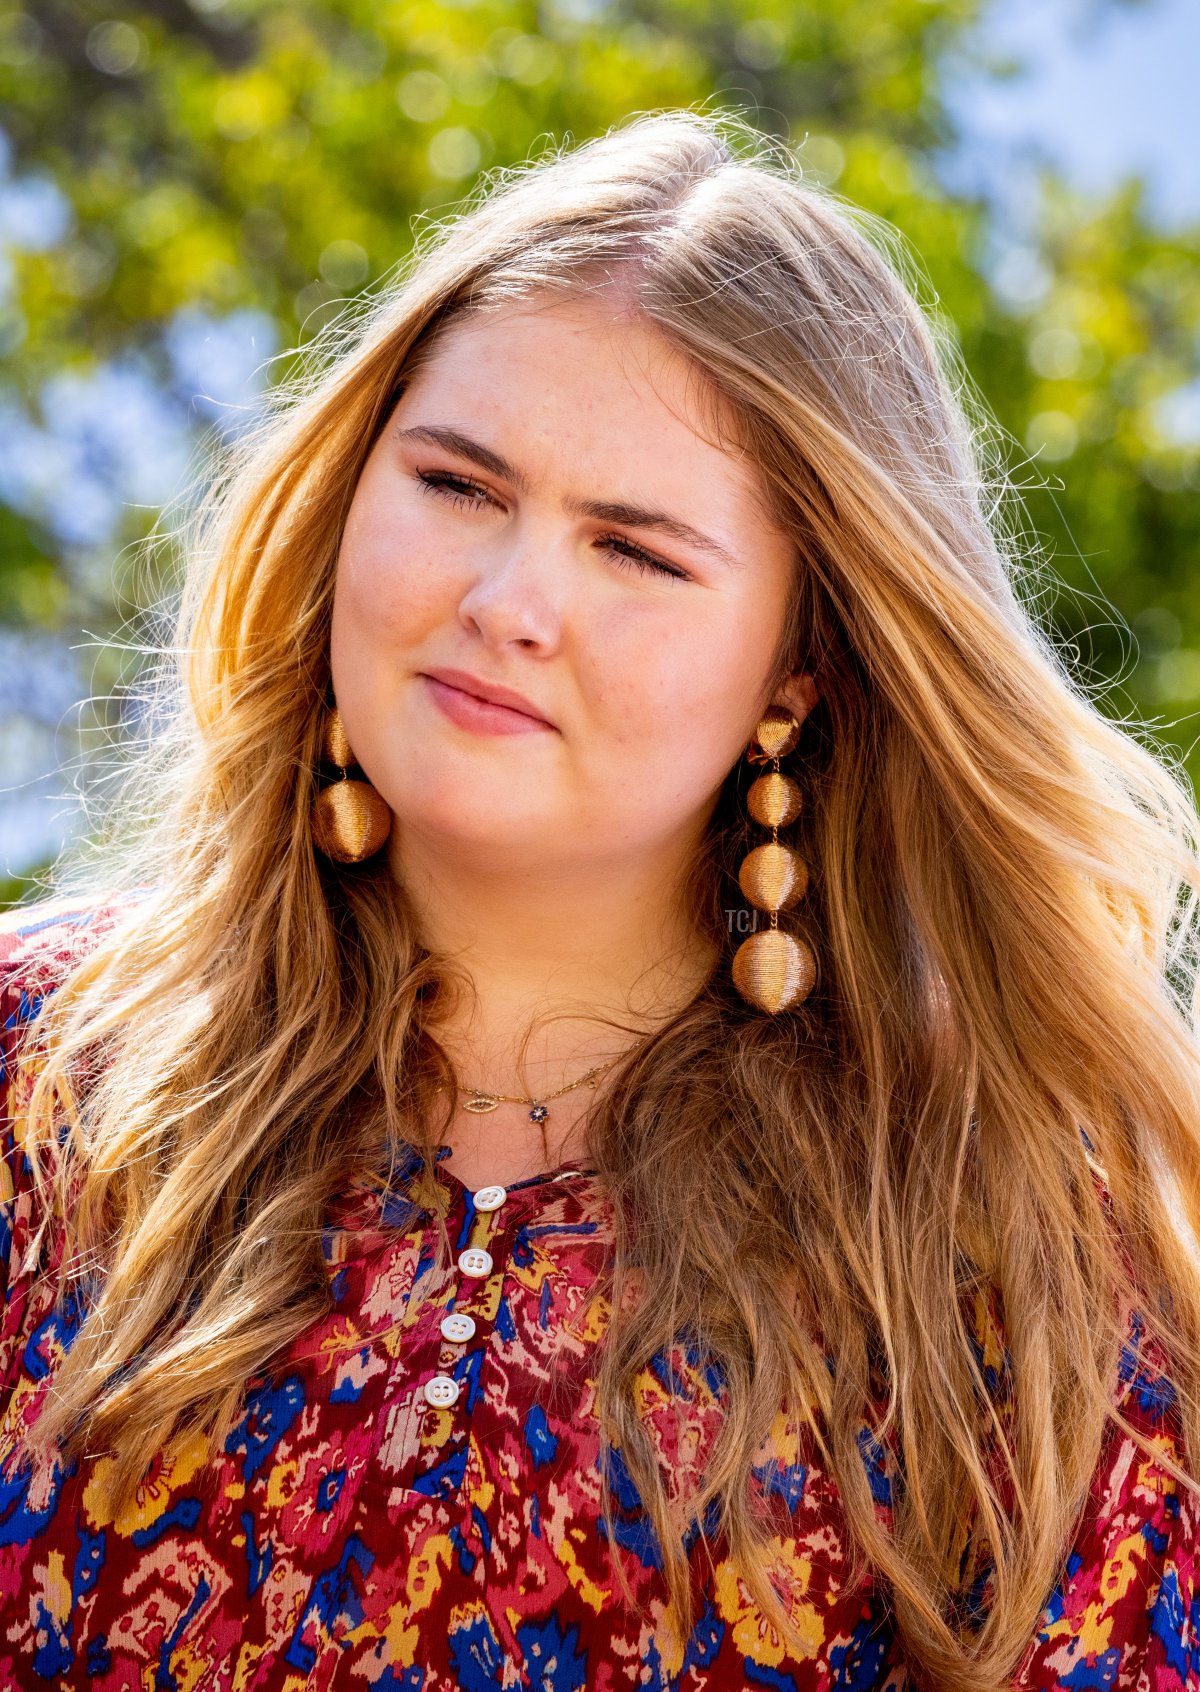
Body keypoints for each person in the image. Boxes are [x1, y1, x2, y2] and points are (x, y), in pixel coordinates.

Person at [0, 107, 1197, 1692]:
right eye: (458, 485)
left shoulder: (1005, 1238)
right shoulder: (36, 1078)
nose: (509, 606)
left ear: (802, 660)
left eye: (634, 549)